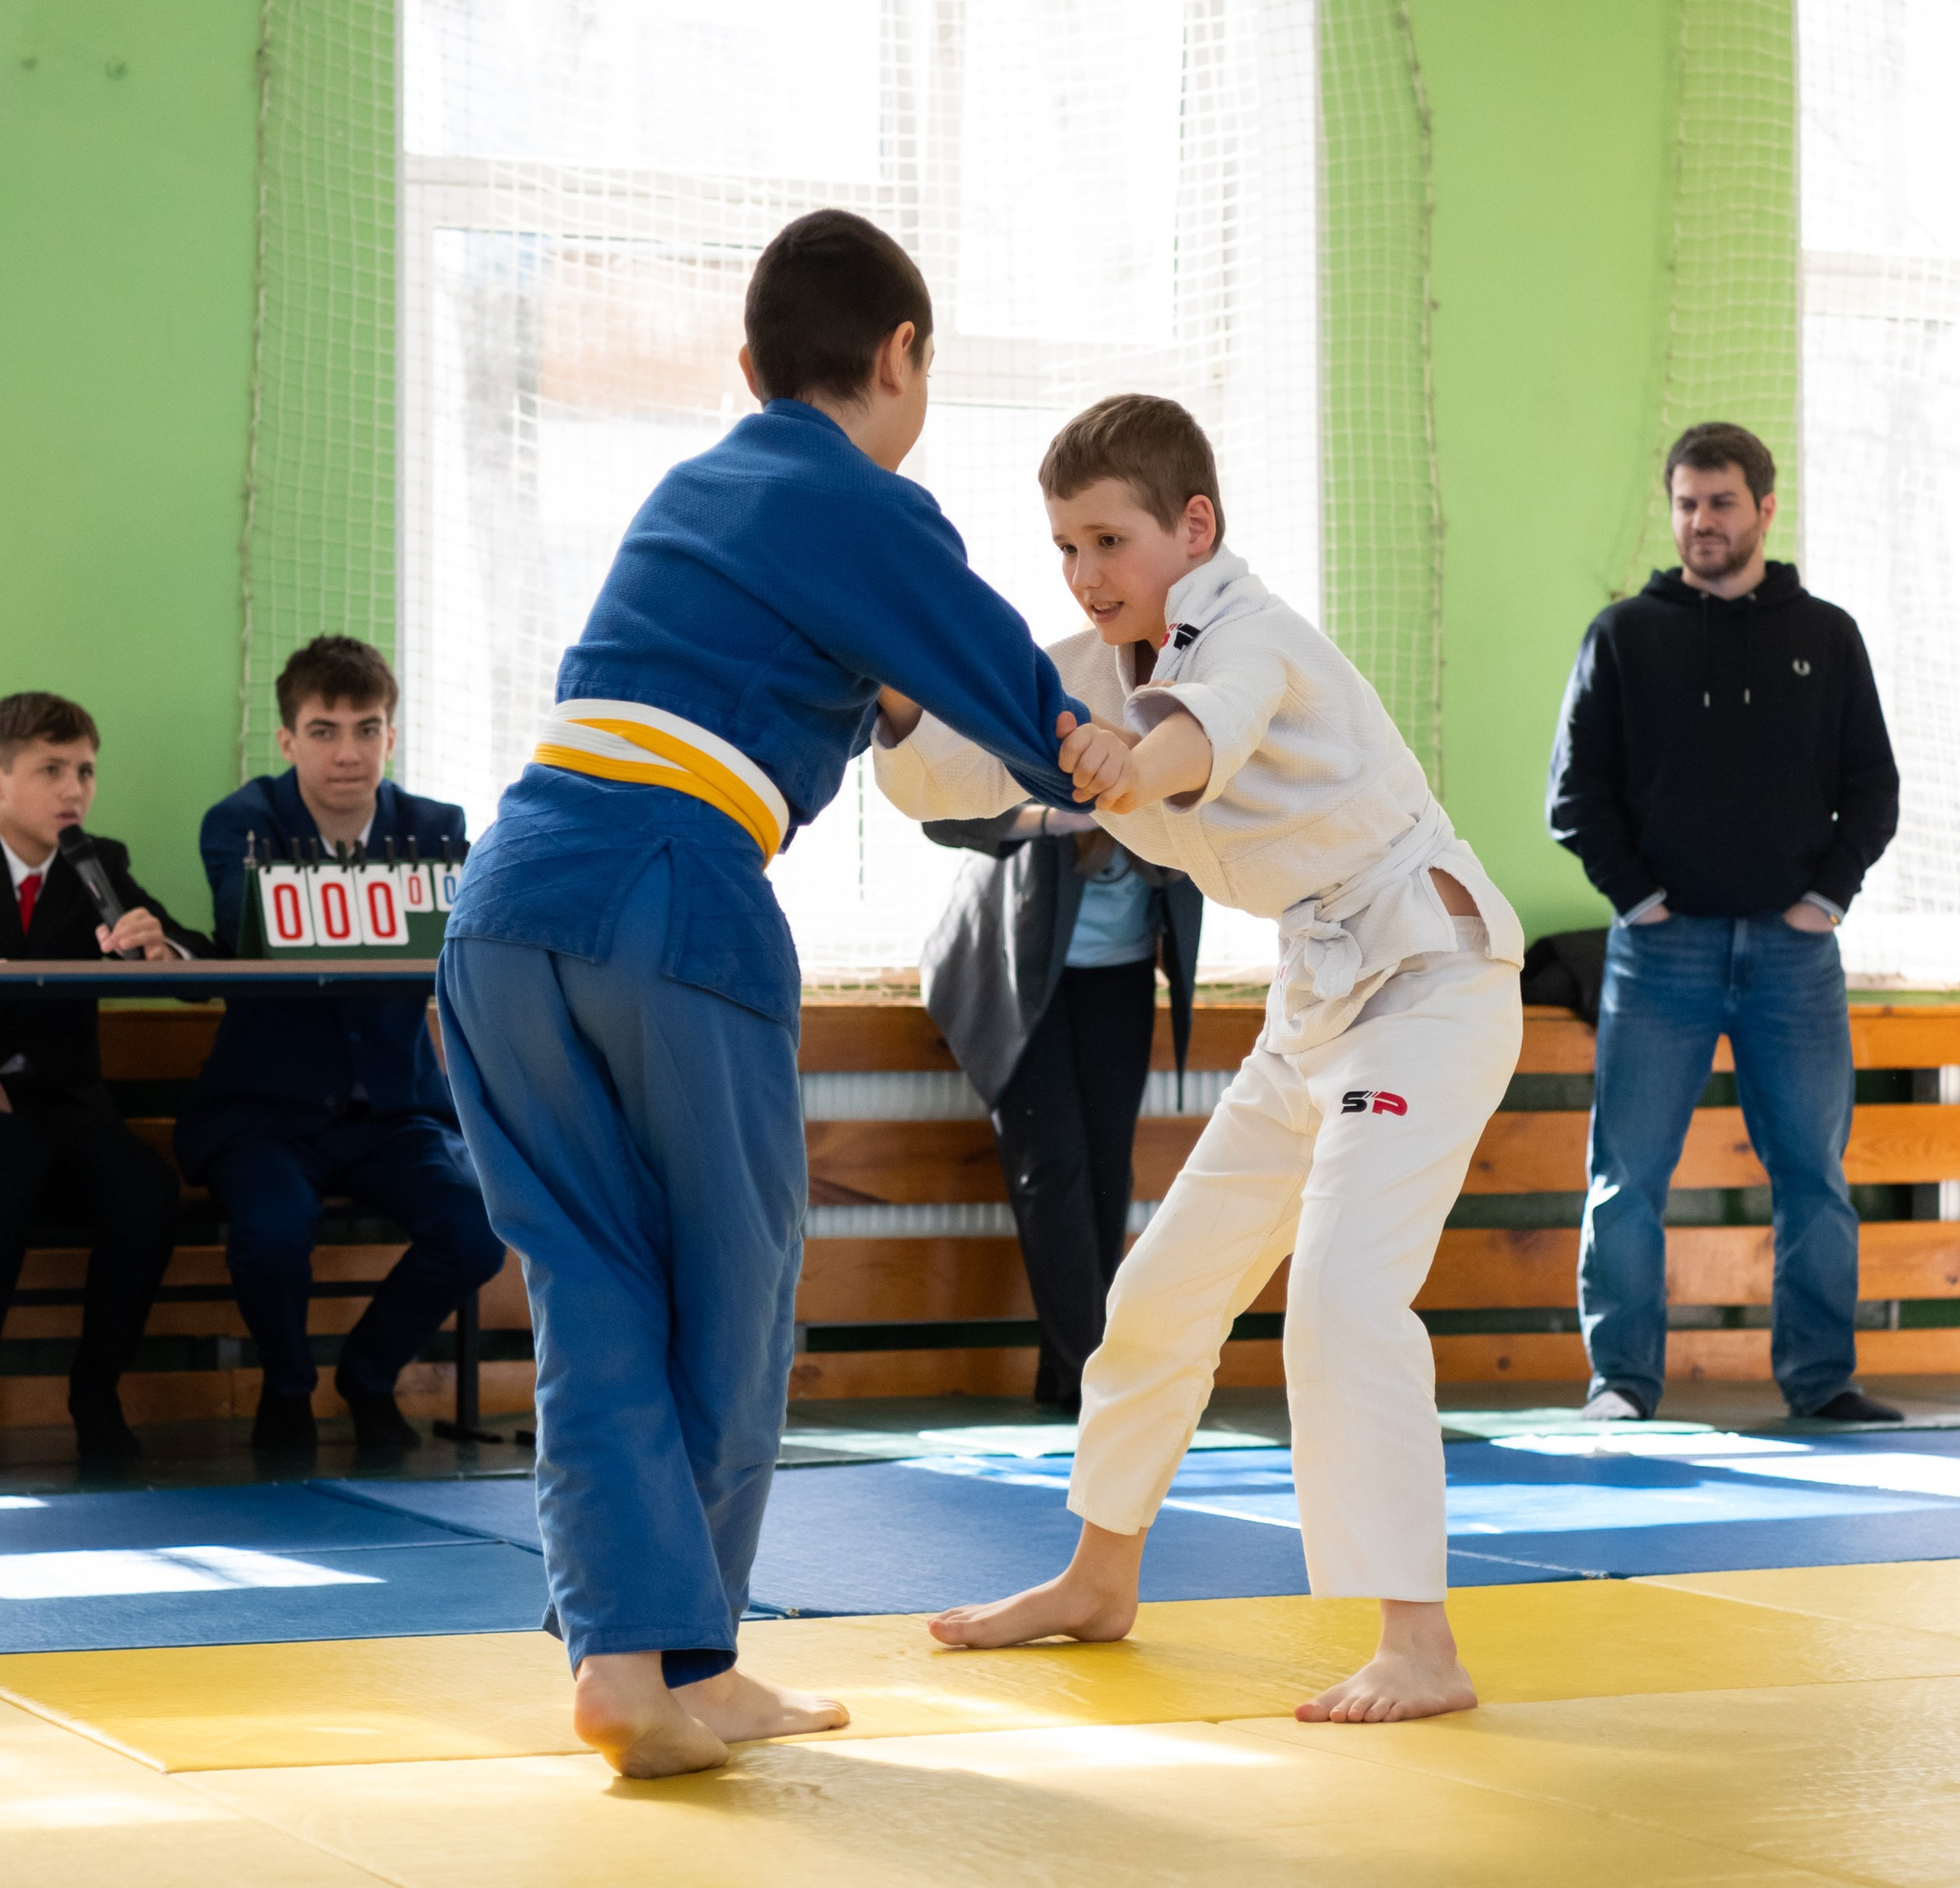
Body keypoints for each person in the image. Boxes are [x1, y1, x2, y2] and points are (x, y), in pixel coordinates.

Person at [437, 208, 1090, 1781]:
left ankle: (635, 1665)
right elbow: (1010, 687)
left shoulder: (699, 490)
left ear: (746, 365)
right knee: (737, 1282)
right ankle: (689, 1652)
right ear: (902, 355)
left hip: (510, 899)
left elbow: (840, 691)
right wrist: (1121, 755)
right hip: (671, 897)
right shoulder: (855, 495)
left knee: (593, 1286)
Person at [875, 393, 1525, 1725]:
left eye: (1109, 541)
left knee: (1344, 1300)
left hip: (1431, 979)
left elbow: (1196, 734)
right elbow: (954, 768)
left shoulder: (1256, 637)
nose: (1085, 574)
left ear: (1195, 528)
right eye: (1063, 547)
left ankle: (1421, 1645)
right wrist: (886, 688)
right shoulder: (1096, 660)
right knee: (1161, 1293)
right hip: (1319, 999)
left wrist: (1129, 758)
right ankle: (1098, 1579)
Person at [1546, 419, 1903, 1428]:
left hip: (1795, 955)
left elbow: (1871, 788)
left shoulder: (1825, 636)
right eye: (1686, 504)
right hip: (1658, 953)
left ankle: (1820, 1381)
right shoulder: (1620, 636)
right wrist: (1641, 901)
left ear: (1764, 508)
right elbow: (1574, 796)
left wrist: (1823, 900)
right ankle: (1620, 1383)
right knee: (1626, 1179)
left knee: (1813, 1180)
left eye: (1720, 503)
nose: (1701, 522)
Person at [175, 637, 503, 1457]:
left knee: (475, 1228)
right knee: (272, 1231)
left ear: (392, 736)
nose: (348, 751)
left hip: (395, 1111)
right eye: (324, 730)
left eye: (367, 728)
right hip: (265, 1115)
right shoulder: (241, 822)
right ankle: (287, 1388)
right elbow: (250, 932)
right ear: (287, 740)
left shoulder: (439, 826)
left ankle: (367, 1375)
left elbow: (454, 955)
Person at [922, 803, 1201, 1413]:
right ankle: (1096, 1374)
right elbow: (943, 817)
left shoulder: (1181, 753)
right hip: (1014, 975)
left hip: (1120, 976)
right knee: (1051, 1166)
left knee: (1105, 1172)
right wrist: (1056, 816)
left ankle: (1074, 1373)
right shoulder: (1048, 732)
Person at [0, 690, 210, 1465]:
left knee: (145, 1191)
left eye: (85, 771)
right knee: (9, 1167)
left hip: (68, 1110)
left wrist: (164, 951)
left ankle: (97, 1389)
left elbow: (201, 970)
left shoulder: (100, 866)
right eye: (50, 769)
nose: (73, 790)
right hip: (1, 1124)